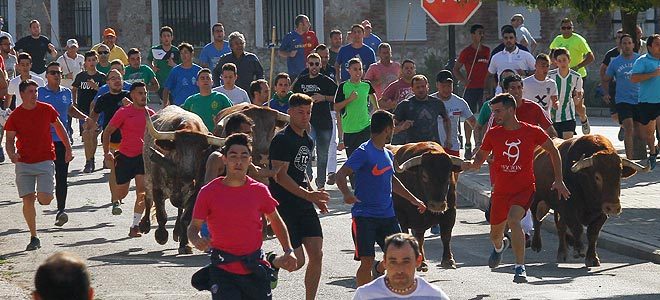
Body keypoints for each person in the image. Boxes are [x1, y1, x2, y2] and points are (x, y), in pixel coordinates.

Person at [462, 93, 570, 284]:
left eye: (498, 111)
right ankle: (499, 247)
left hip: (524, 189)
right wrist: (471, 164)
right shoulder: (493, 133)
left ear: (511, 109)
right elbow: (480, 158)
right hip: (500, 192)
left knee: (514, 220)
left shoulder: (532, 131)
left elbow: (553, 150)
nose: (494, 116)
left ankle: (520, 268)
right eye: (493, 112)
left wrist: (559, 180)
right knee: (495, 235)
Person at [188, 133, 298, 299]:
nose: (238, 161)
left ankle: (272, 261)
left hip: (254, 267)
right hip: (223, 269)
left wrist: (288, 250)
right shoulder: (208, 192)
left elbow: (275, 220)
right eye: (233, 156)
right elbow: (194, 226)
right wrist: (196, 239)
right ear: (224, 159)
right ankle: (273, 261)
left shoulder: (259, 190)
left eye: (243, 156)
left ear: (250, 160)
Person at [336, 111, 426, 287]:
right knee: (366, 261)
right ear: (387, 129)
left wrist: (414, 199)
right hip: (364, 216)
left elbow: (392, 180)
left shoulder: (388, 154)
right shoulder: (363, 152)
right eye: (393, 127)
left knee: (399, 256)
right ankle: (363, 296)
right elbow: (341, 174)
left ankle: (380, 270)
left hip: (388, 216)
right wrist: (347, 193)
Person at [268, 93, 330, 300]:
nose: (305, 117)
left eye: (308, 112)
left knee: (317, 254)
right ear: (290, 113)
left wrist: (316, 196)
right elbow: (280, 177)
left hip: (304, 202)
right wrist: (308, 195)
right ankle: (272, 261)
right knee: (297, 262)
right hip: (285, 204)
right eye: (300, 112)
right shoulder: (282, 140)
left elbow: (301, 171)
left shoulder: (307, 139)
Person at [4, 79, 72, 250]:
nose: (34, 94)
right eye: (31, 91)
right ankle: (34, 236)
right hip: (24, 162)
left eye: (36, 91)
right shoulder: (15, 116)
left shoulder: (46, 109)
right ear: (21, 94)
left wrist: (68, 147)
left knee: (45, 199)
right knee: (27, 200)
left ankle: (41, 195)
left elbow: (59, 127)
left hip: (45, 160)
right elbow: (10, 140)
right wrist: (12, 154)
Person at [38, 61, 90, 228]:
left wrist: (85, 118)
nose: (56, 75)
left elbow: (70, 109)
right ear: (46, 76)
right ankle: (43, 196)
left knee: (62, 177)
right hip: (43, 141)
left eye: (59, 73)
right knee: (45, 174)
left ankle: (61, 210)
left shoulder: (66, 92)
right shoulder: (39, 93)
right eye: (53, 72)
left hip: (62, 140)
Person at [102, 82, 154, 237]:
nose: (143, 96)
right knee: (121, 194)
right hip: (124, 157)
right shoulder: (124, 112)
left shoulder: (151, 115)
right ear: (132, 95)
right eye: (140, 93)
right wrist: (107, 153)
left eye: (145, 93)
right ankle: (115, 200)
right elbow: (107, 132)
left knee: (142, 193)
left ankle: (135, 226)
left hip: (142, 159)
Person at [352, 233, 450, 299]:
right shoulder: (365, 295)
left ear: (418, 261)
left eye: (406, 261)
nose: (399, 269)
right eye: (393, 262)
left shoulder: (435, 296)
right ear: (384, 262)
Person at [292, 53, 338, 189]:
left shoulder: (326, 81)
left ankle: (321, 183)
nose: (314, 67)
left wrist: (324, 97)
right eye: (311, 64)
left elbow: (338, 97)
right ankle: (308, 175)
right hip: (307, 123)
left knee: (323, 154)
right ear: (307, 64)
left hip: (324, 123)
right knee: (305, 150)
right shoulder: (301, 80)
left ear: (320, 65)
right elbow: (293, 96)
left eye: (317, 64)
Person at [90, 69, 131, 209]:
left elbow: (142, 113)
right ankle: (115, 200)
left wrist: (130, 106)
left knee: (123, 172)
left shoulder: (129, 96)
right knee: (114, 169)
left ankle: (119, 195)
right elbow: (94, 116)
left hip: (128, 140)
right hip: (110, 139)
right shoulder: (103, 98)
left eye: (118, 77)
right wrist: (90, 127)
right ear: (107, 82)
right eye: (113, 78)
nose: (116, 80)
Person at [549, 18, 594, 134]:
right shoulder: (557, 39)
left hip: (577, 75)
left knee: (577, 104)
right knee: (560, 100)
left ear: (572, 28)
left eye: (569, 28)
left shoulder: (578, 40)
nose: (566, 30)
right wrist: (553, 65)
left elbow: (590, 56)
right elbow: (551, 54)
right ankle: (562, 123)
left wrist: (578, 66)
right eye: (564, 28)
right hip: (560, 75)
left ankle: (583, 119)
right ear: (560, 29)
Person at [453, 24, 490, 159]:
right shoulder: (467, 52)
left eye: (483, 33)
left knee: (484, 118)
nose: (482, 35)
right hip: (471, 88)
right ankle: (468, 144)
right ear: (473, 35)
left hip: (483, 88)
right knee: (469, 117)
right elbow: (456, 69)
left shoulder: (486, 50)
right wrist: (464, 81)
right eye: (479, 33)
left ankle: (482, 145)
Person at [604, 34, 641, 160]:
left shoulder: (639, 59)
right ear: (620, 45)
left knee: (641, 131)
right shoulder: (615, 62)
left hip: (639, 99)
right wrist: (606, 93)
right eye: (624, 43)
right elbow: (606, 78)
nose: (626, 46)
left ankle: (649, 153)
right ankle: (629, 160)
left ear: (633, 45)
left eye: (629, 43)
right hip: (623, 100)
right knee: (629, 128)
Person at [334, 58, 379, 159]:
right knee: (353, 160)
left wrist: (375, 109)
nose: (358, 72)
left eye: (360, 69)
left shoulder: (366, 85)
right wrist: (349, 99)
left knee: (366, 158)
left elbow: (373, 96)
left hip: (365, 127)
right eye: (355, 69)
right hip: (350, 130)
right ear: (349, 70)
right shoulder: (343, 86)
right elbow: (336, 107)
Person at [393, 74, 451, 147]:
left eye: (423, 86)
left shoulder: (437, 103)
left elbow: (446, 120)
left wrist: (448, 139)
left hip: (433, 146)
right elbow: (390, 129)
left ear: (428, 87)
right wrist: (401, 127)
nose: (421, 89)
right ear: (412, 89)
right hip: (413, 148)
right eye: (417, 87)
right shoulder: (405, 105)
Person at [72, 51, 105, 173]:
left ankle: (91, 160)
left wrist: (96, 87)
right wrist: (74, 102)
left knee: (93, 135)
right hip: (83, 110)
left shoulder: (101, 77)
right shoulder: (80, 76)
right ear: (85, 62)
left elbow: (105, 92)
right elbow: (74, 89)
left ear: (97, 60)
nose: (91, 62)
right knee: (87, 134)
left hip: (98, 111)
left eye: (93, 60)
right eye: (89, 60)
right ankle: (89, 161)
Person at [630, 34, 660, 170]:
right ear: (649, 47)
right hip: (647, 102)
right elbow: (634, 78)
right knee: (649, 133)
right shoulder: (642, 61)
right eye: (657, 44)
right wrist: (653, 74)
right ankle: (653, 153)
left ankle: (656, 149)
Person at [430, 70, 475, 157]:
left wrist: (478, 143)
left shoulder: (459, 102)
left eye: (449, 86)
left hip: (452, 147)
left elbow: (473, 122)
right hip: (433, 147)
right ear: (437, 85)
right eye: (443, 86)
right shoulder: (430, 101)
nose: (446, 89)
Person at [487, 26, 535, 98]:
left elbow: (537, 71)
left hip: (521, 95)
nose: (508, 40)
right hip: (501, 96)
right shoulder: (496, 57)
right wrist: (492, 91)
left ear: (515, 39)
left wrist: (526, 73)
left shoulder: (526, 55)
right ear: (503, 40)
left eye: (511, 38)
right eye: (506, 38)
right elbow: (490, 75)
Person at [548, 48, 583, 139]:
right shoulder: (550, 76)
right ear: (555, 62)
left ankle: (584, 119)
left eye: (564, 60)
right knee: (556, 146)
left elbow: (579, 93)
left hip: (568, 116)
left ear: (569, 60)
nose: (562, 63)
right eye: (559, 61)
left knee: (566, 145)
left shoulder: (576, 77)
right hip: (552, 117)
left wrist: (577, 99)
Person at [600, 29, 625, 140]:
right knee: (615, 115)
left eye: (622, 37)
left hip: (628, 88)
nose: (620, 40)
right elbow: (602, 71)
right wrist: (605, 91)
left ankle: (626, 127)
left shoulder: (632, 54)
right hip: (613, 88)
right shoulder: (611, 54)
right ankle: (623, 126)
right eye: (618, 37)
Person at [279, 14, 319, 79]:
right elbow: (280, 52)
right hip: (295, 73)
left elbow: (318, 48)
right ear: (300, 24)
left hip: (310, 71)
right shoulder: (289, 36)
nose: (309, 24)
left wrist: (315, 51)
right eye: (307, 22)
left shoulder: (312, 35)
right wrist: (289, 54)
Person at [163, 43, 202, 107]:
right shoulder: (175, 71)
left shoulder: (199, 70)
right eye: (181, 53)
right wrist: (165, 104)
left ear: (192, 54)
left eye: (186, 52)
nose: (183, 55)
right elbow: (166, 89)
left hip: (196, 105)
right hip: (179, 106)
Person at [147, 26, 180, 100]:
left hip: (174, 83)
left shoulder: (176, 51)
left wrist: (173, 65)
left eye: (168, 36)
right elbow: (149, 60)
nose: (166, 38)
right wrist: (152, 67)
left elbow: (181, 66)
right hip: (160, 82)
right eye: (164, 36)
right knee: (165, 102)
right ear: (161, 38)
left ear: (172, 37)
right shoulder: (155, 50)